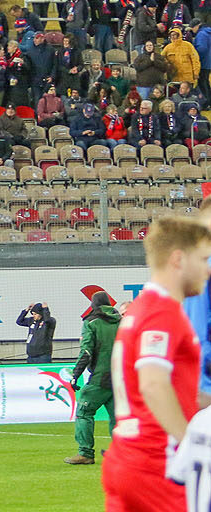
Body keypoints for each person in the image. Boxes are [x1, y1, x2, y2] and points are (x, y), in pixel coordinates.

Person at [101, 217, 211, 512]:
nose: (208, 270)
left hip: (126, 456)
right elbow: (153, 383)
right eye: (203, 259)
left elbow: (176, 388)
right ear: (178, 259)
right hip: (156, 462)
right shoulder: (163, 313)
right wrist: (188, 444)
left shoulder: (141, 309)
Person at [66, 290, 120, 466]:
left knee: (84, 411)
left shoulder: (91, 323)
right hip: (121, 377)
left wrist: (76, 375)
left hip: (100, 377)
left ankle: (86, 453)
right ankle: (122, 452)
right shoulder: (123, 321)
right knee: (117, 416)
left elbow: (86, 351)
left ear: (93, 305)